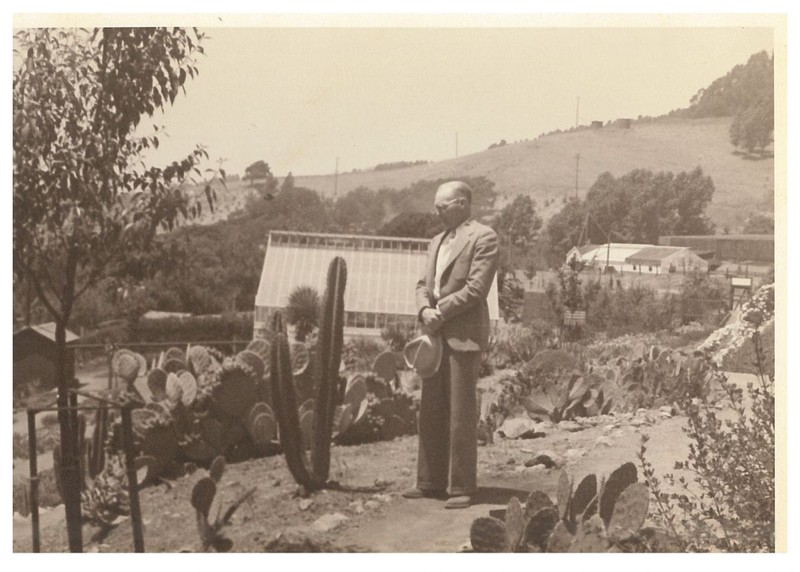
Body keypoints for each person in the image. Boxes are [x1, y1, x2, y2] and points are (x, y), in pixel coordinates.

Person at [403, 180, 499, 509]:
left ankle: (461, 487)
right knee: (431, 409)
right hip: (435, 335)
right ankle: (428, 481)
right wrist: (423, 309)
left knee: (460, 413)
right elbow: (421, 284)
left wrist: (439, 311)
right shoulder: (436, 241)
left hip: (463, 336)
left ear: (461, 204)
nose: (437, 212)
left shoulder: (484, 237)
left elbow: (476, 289)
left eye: (442, 207)